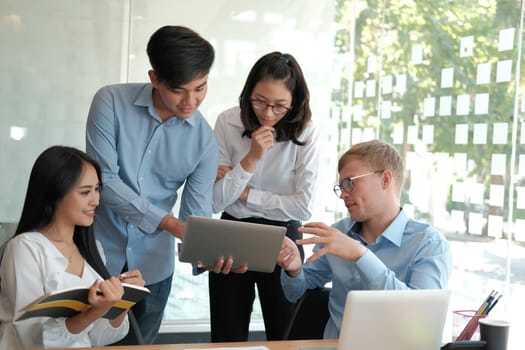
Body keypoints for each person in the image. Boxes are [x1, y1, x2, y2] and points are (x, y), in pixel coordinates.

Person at [85, 25, 218, 344]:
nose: (191, 101)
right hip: (96, 254)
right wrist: (169, 222)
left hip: (153, 271)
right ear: (154, 78)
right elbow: (105, 181)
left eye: (200, 87)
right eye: (179, 90)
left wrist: (211, 254)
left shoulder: (205, 143)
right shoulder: (111, 102)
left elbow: (195, 221)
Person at [277, 139, 452, 339]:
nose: (343, 194)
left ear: (385, 179)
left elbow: (420, 319)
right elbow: (296, 292)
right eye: (341, 187)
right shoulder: (337, 234)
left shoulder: (429, 244)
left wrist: (361, 255)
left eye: (350, 183)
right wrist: (294, 269)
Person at [209, 51, 320, 342]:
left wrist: (244, 190)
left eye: (280, 106)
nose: (268, 113)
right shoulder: (228, 122)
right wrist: (252, 159)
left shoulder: (306, 132)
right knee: (226, 336)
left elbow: (303, 206)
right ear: (248, 93)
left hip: (283, 236)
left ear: (294, 102)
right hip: (232, 230)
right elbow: (216, 201)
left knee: (286, 336)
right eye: (260, 101)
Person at [0, 146, 145, 349]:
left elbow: (98, 338)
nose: (96, 200)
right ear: (54, 193)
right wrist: (92, 312)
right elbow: (32, 339)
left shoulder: (93, 249)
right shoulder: (25, 249)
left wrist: (123, 301)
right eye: (85, 192)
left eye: (97, 189)